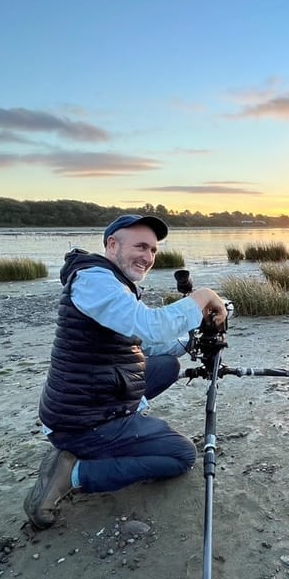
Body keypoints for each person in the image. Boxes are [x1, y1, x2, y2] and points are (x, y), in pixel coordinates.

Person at [24, 214, 228, 529]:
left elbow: (140, 343)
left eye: (153, 250)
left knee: (167, 366)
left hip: (87, 399)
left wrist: (192, 340)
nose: (148, 256)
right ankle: (73, 473)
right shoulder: (94, 281)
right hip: (83, 422)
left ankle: (121, 431)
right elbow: (148, 326)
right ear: (112, 245)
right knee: (182, 456)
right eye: (140, 247)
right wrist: (202, 297)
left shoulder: (109, 282)